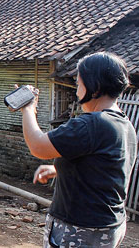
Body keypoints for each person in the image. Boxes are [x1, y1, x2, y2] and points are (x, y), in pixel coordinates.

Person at [18, 52, 137, 247]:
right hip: (108, 225)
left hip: (81, 229)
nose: (77, 91)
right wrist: (58, 169)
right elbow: (105, 166)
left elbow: (38, 146)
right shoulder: (124, 124)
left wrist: (28, 108)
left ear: (95, 87)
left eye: (79, 84)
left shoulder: (91, 124)